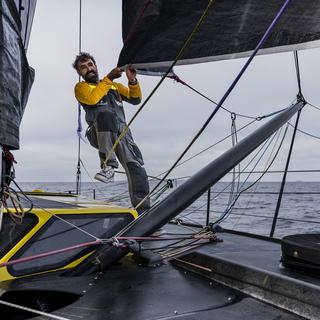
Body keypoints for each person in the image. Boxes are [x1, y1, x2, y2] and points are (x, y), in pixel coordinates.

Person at [73, 52, 150, 211]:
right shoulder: (81, 87)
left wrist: (132, 80)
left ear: (95, 65)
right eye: (83, 68)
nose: (88, 69)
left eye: (90, 65)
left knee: (137, 169)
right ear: (80, 73)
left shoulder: (114, 87)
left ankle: (144, 212)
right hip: (99, 131)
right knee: (106, 114)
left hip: (123, 134)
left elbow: (135, 99)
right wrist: (109, 78)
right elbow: (93, 99)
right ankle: (108, 166)